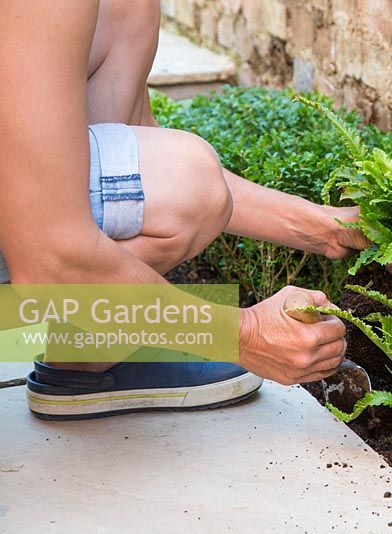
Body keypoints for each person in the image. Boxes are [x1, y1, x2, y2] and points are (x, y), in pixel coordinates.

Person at [0, 0, 370, 419]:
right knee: (187, 178)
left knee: (127, 11)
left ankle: (85, 353)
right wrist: (244, 335)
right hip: (44, 261)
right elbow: (49, 261)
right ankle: (88, 335)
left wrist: (325, 226)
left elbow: (141, 160)